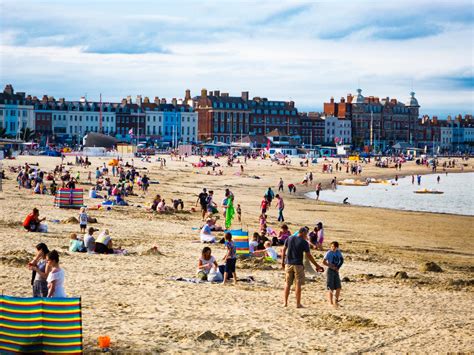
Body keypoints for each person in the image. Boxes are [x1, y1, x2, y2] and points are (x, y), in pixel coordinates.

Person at [281, 227, 324, 308]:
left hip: (288, 263)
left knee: (287, 283)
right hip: (298, 265)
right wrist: (317, 265)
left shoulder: (289, 238)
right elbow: (309, 255)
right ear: (303, 233)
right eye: (306, 233)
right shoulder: (304, 243)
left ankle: (285, 303)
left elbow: (283, 250)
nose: (307, 235)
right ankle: (298, 304)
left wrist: (282, 262)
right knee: (298, 284)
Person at [322, 241, 344, 307]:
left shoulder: (338, 252)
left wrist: (338, 267)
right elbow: (323, 262)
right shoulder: (329, 253)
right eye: (331, 246)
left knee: (338, 287)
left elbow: (342, 260)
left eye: (334, 247)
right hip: (330, 271)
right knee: (330, 287)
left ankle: (336, 301)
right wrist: (331, 266)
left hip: (336, 271)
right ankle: (330, 303)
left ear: (337, 247)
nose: (332, 248)